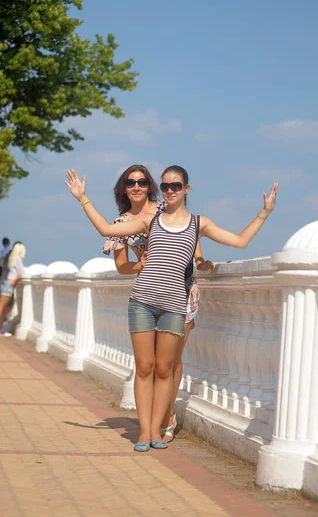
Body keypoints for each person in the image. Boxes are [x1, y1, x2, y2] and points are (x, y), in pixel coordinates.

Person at [65, 166, 278, 452]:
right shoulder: (148, 221)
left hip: (175, 305)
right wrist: (82, 198)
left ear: (186, 189)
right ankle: (146, 432)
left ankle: (159, 428)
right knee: (144, 368)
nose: (170, 191)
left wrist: (265, 212)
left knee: (165, 369)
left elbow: (239, 241)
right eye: (165, 186)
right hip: (142, 300)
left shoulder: (198, 223)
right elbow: (107, 229)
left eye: (175, 186)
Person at [102, 164, 214, 442]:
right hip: (150, 294)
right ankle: (154, 423)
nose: (137, 187)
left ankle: (166, 416)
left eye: (142, 182)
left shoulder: (167, 208)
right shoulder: (120, 225)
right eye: (131, 183)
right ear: (124, 188)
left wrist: (200, 261)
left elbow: (192, 238)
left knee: (172, 361)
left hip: (183, 291)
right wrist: (139, 266)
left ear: (151, 186)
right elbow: (122, 267)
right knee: (151, 365)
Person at [0, 242, 26, 335]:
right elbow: (22, 272)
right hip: (9, 285)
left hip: (7, 283)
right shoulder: (17, 258)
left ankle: (1, 329)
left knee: (4, 307)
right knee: (2, 307)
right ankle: (0, 330)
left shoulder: (12, 258)